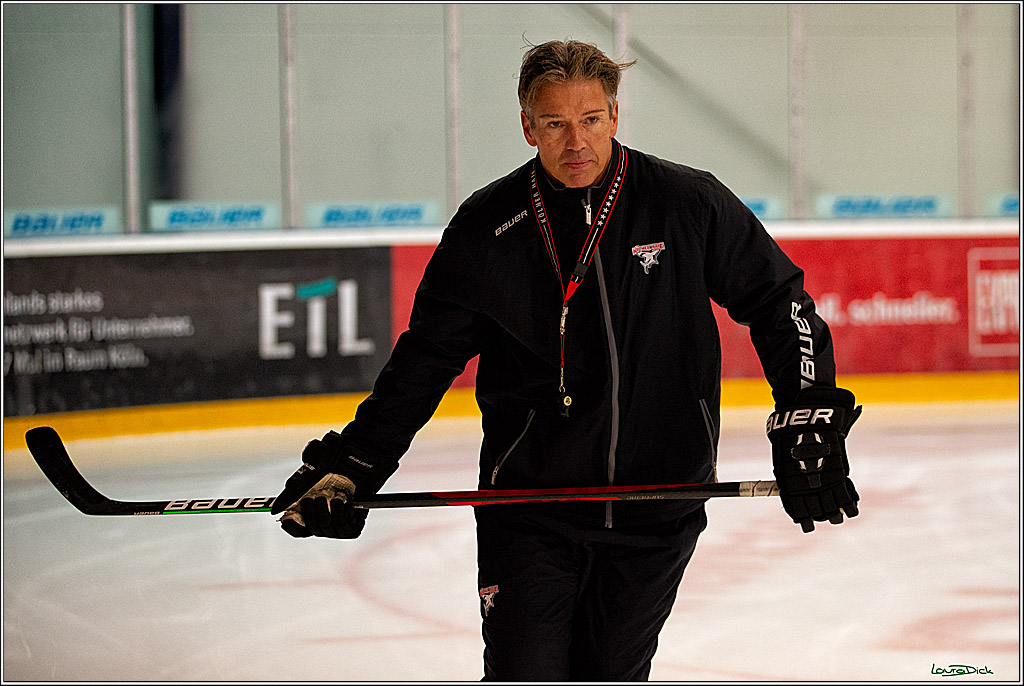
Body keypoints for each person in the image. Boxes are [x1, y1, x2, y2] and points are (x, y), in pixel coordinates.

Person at [271, 39, 861, 681]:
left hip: (656, 503)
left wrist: (809, 410)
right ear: (528, 126)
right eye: (555, 123)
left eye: (590, 120)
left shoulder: (686, 203)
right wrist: (358, 462)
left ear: (614, 116)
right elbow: (425, 359)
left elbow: (781, 304)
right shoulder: (486, 225)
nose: (575, 141)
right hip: (530, 508)